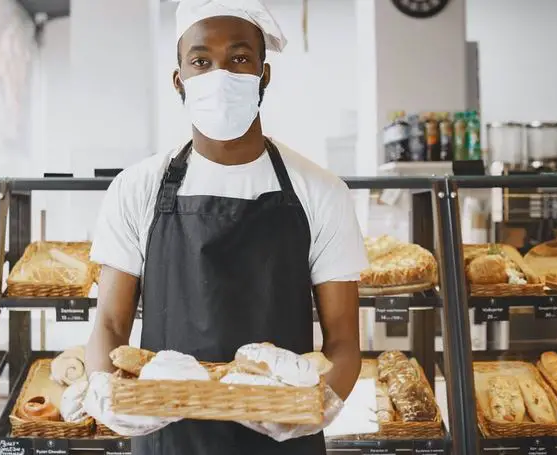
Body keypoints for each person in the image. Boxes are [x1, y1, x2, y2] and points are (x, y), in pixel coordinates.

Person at [86, 0, 368, 453]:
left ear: (264, 74)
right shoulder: (136, 188)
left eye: (239, 58)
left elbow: (343, 340)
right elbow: (110, 323)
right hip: (168, 436)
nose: (220, 76)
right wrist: (104, 390)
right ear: (180, 80)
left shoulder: (321, 191)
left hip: (284, 436)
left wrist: (321, 404)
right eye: (201, 61)